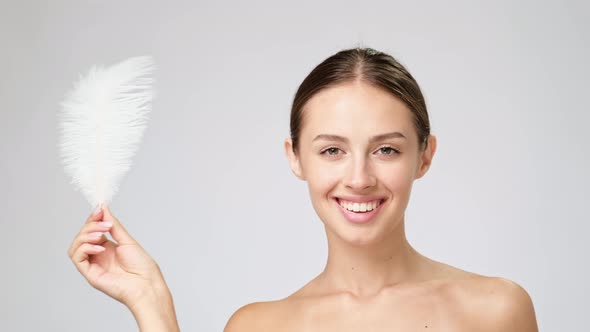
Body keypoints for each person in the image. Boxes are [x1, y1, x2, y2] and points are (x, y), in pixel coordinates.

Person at [68, 47, 539, 331]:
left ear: (425, 155)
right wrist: (151, 301)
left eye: (386, 150)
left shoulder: (496, 311)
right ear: (296, 157)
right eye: (332, 150)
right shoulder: (257, 329)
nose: (358, 178)